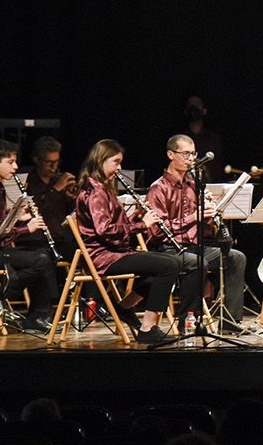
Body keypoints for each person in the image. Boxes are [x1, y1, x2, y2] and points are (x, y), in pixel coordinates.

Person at [75, 139, 194, 344]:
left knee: (166, 263)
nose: (119, 168)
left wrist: (137, 217)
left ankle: (124, 307)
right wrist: (142, 225)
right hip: (103, 257)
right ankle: (147, 328)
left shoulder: (102, 188)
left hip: (115, 252)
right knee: (168, 264)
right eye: (116, 162)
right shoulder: (95, 192)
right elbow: (105, 231)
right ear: (100, 161)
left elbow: (114, 227)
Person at [146, 134, 251, 333]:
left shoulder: (194, 185)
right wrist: (194, 216)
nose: (191, 159)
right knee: (198, 262)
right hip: (168, 249)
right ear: (170, 154)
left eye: (193, 154)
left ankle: (229, 323)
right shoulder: (158, 188)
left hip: (195, 247)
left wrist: (211, 212)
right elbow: (159, 231)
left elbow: (205, 225)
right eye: (185, 154)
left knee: (236, 258)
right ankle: (188, 321)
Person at [0, 139, 58, 334]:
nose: (15, 167)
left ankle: (37, 317)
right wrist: (26, 229)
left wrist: (18, 219)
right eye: (11, 162)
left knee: (43, 254)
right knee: (39, 260)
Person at [25, 135, 77, 256]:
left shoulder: (58, 180)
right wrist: (56, 189)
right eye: (49, 162)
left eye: (56, 161)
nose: (54, 167)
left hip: (60, 238)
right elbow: (37, 209)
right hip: (37, 241)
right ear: (36, 159)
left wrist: (72, 198)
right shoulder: (28, 183)